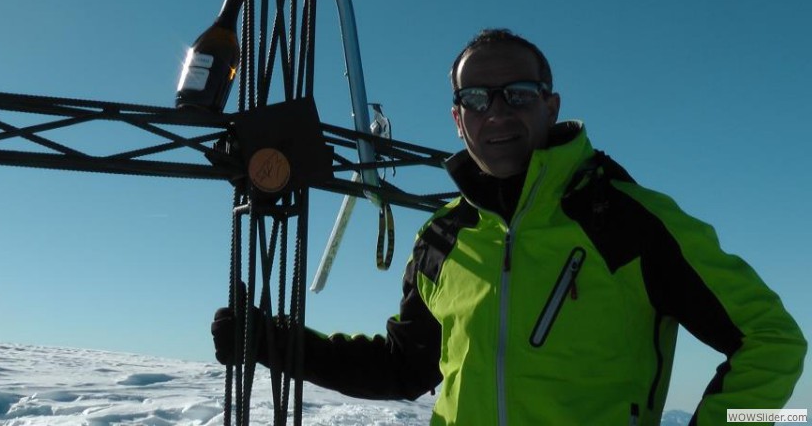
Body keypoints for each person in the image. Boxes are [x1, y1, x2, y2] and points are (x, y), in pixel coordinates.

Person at [212, 28, 806, 425]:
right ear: (456, 118)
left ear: (550, 106)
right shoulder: (441, 240)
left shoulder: (627, 220)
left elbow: (775, 342)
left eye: (517, 94)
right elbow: (404, 369)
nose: (496, 111)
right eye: (476, 98)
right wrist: (273, 343)